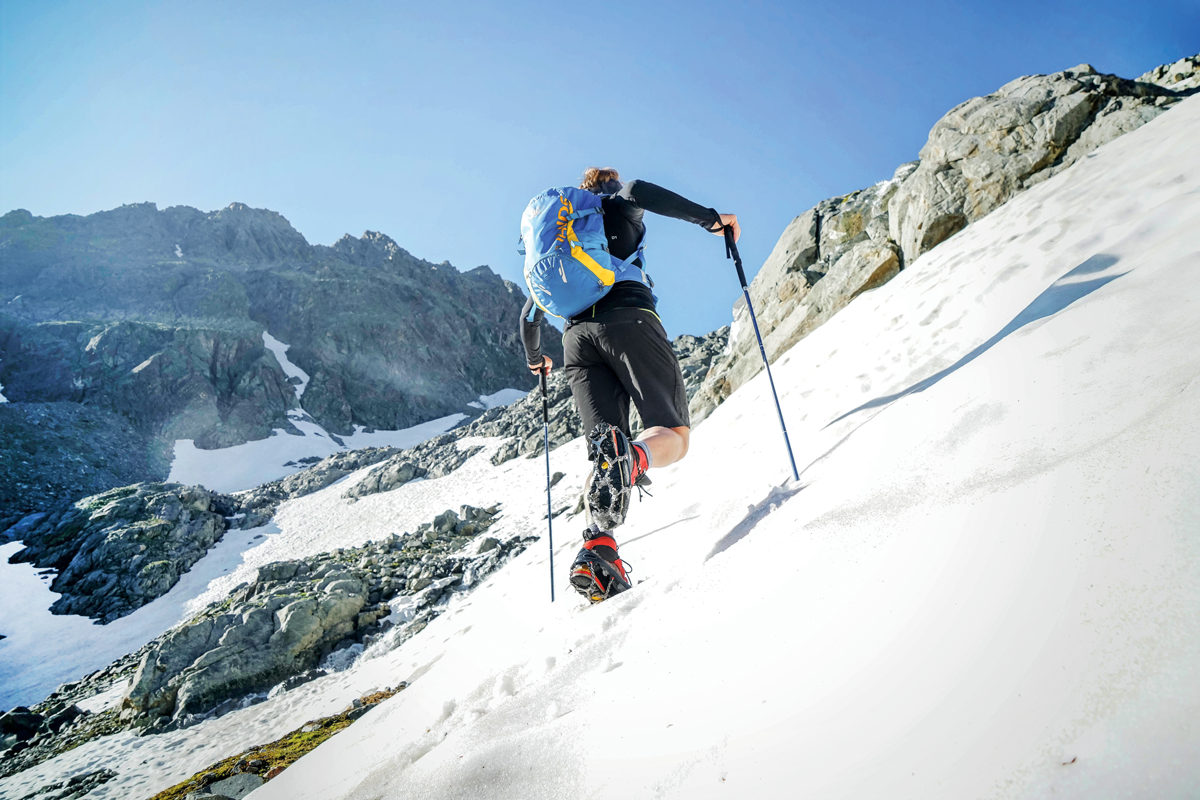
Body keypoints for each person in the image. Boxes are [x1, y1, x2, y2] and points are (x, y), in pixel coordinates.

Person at [520, 167, 740, 602]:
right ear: (605, 188)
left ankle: (599, 551)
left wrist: (536, 359)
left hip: (575, 344)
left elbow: (528, 318)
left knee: (605, 450)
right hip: (628, 320)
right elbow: (638, 190)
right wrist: (711, 219)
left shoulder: (563, 246)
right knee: (672, 436)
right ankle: (635, 459)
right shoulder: (615, 209)